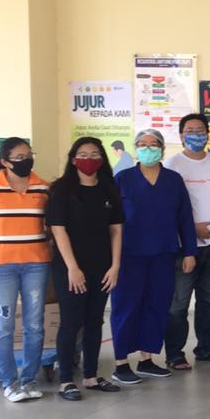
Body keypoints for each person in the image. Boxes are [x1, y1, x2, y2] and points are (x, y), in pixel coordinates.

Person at [110, 129, 196, 385]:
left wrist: (189, 251)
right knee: (126, 307)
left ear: (162, 149)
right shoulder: (123, 179)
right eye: (142, 144)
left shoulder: (173, 180)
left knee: (156, 306)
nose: (148, 148)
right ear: (135, 148)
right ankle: (121, 362)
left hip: (163, 253)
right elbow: (112, 222)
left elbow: (185, 218)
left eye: (153, 144)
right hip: (129, 255)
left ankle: (146, 358)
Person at [0, 137, 51, 403]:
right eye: (19, 157)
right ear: (4, 162)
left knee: (34, 324)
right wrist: (2, 249)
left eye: (29, 154)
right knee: (3, 325)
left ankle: (28, 379)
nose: (26, 160)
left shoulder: (43, 187)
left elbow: (49, 227)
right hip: (1, 267)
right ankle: (9, 381)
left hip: (36, 264)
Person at [46, 137, 125, 399]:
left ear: (102, 159)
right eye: (83, 154)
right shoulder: (61, 190)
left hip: (102, 266)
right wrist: (72, 268)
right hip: (70, 267)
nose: (88, 159)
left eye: (94, 154)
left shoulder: (108, 189)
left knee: (94, 320)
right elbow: (58, 230)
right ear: (73, 158)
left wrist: (115, 266)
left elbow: (116, 230)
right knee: (71, 322)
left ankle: (91, 376)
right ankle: (66, 380)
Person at [163, 113, 210, 370]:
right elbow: (167, 208)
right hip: (184, 247)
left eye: (200, 129)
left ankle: (205, 348)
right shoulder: (173, 164)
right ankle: (175, 353)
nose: (196, 134)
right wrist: (191, 230)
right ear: (181, 135)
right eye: (190, 130)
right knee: (178, 303)